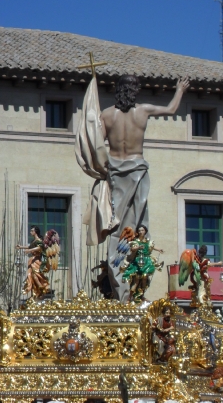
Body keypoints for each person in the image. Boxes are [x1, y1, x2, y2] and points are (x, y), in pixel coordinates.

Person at [76, 73, 189, 302]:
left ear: (118, 90)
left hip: (116, 175)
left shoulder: (106, 115)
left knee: (118, 229)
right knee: (138, 227)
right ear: (134, 91)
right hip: (138, 173)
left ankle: (122, 285)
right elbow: (170, 110)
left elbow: (96, 144)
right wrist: (180, 90)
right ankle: (128, 286)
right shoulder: (143, 110)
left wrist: (100, 168)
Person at [120, 225, 164, 303]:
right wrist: (138, 247)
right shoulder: (136, 241)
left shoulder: (147, 241)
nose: (141, 232)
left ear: (145, 231)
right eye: (139, 230)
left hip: (147, 261)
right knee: (136, 279)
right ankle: (130, 297)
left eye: (142, 230)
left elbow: (152, 246)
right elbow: (132, 249)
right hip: (138, 260)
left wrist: (159, 249)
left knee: (144, 277)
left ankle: (141, 295)